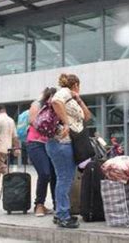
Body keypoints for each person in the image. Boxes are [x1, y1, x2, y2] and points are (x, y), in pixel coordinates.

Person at [48, 73, 91, 228]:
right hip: (61, 143)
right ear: (76, 85)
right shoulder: (63, 93)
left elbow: (86, 117)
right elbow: (55, 101)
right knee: (65, 179)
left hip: (65, 144)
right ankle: (62, 216)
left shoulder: (71, 98)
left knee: (64, 179)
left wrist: (78, 99)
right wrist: (66, 123)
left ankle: (61, 213)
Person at [26, 87, 57, 217]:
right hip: (35, 143)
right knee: (44, 173)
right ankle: (39, 204)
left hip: (51, 144)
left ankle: (58, 204)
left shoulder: (57, 108)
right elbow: (32, 121)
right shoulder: (37, 105)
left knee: (55, 174)